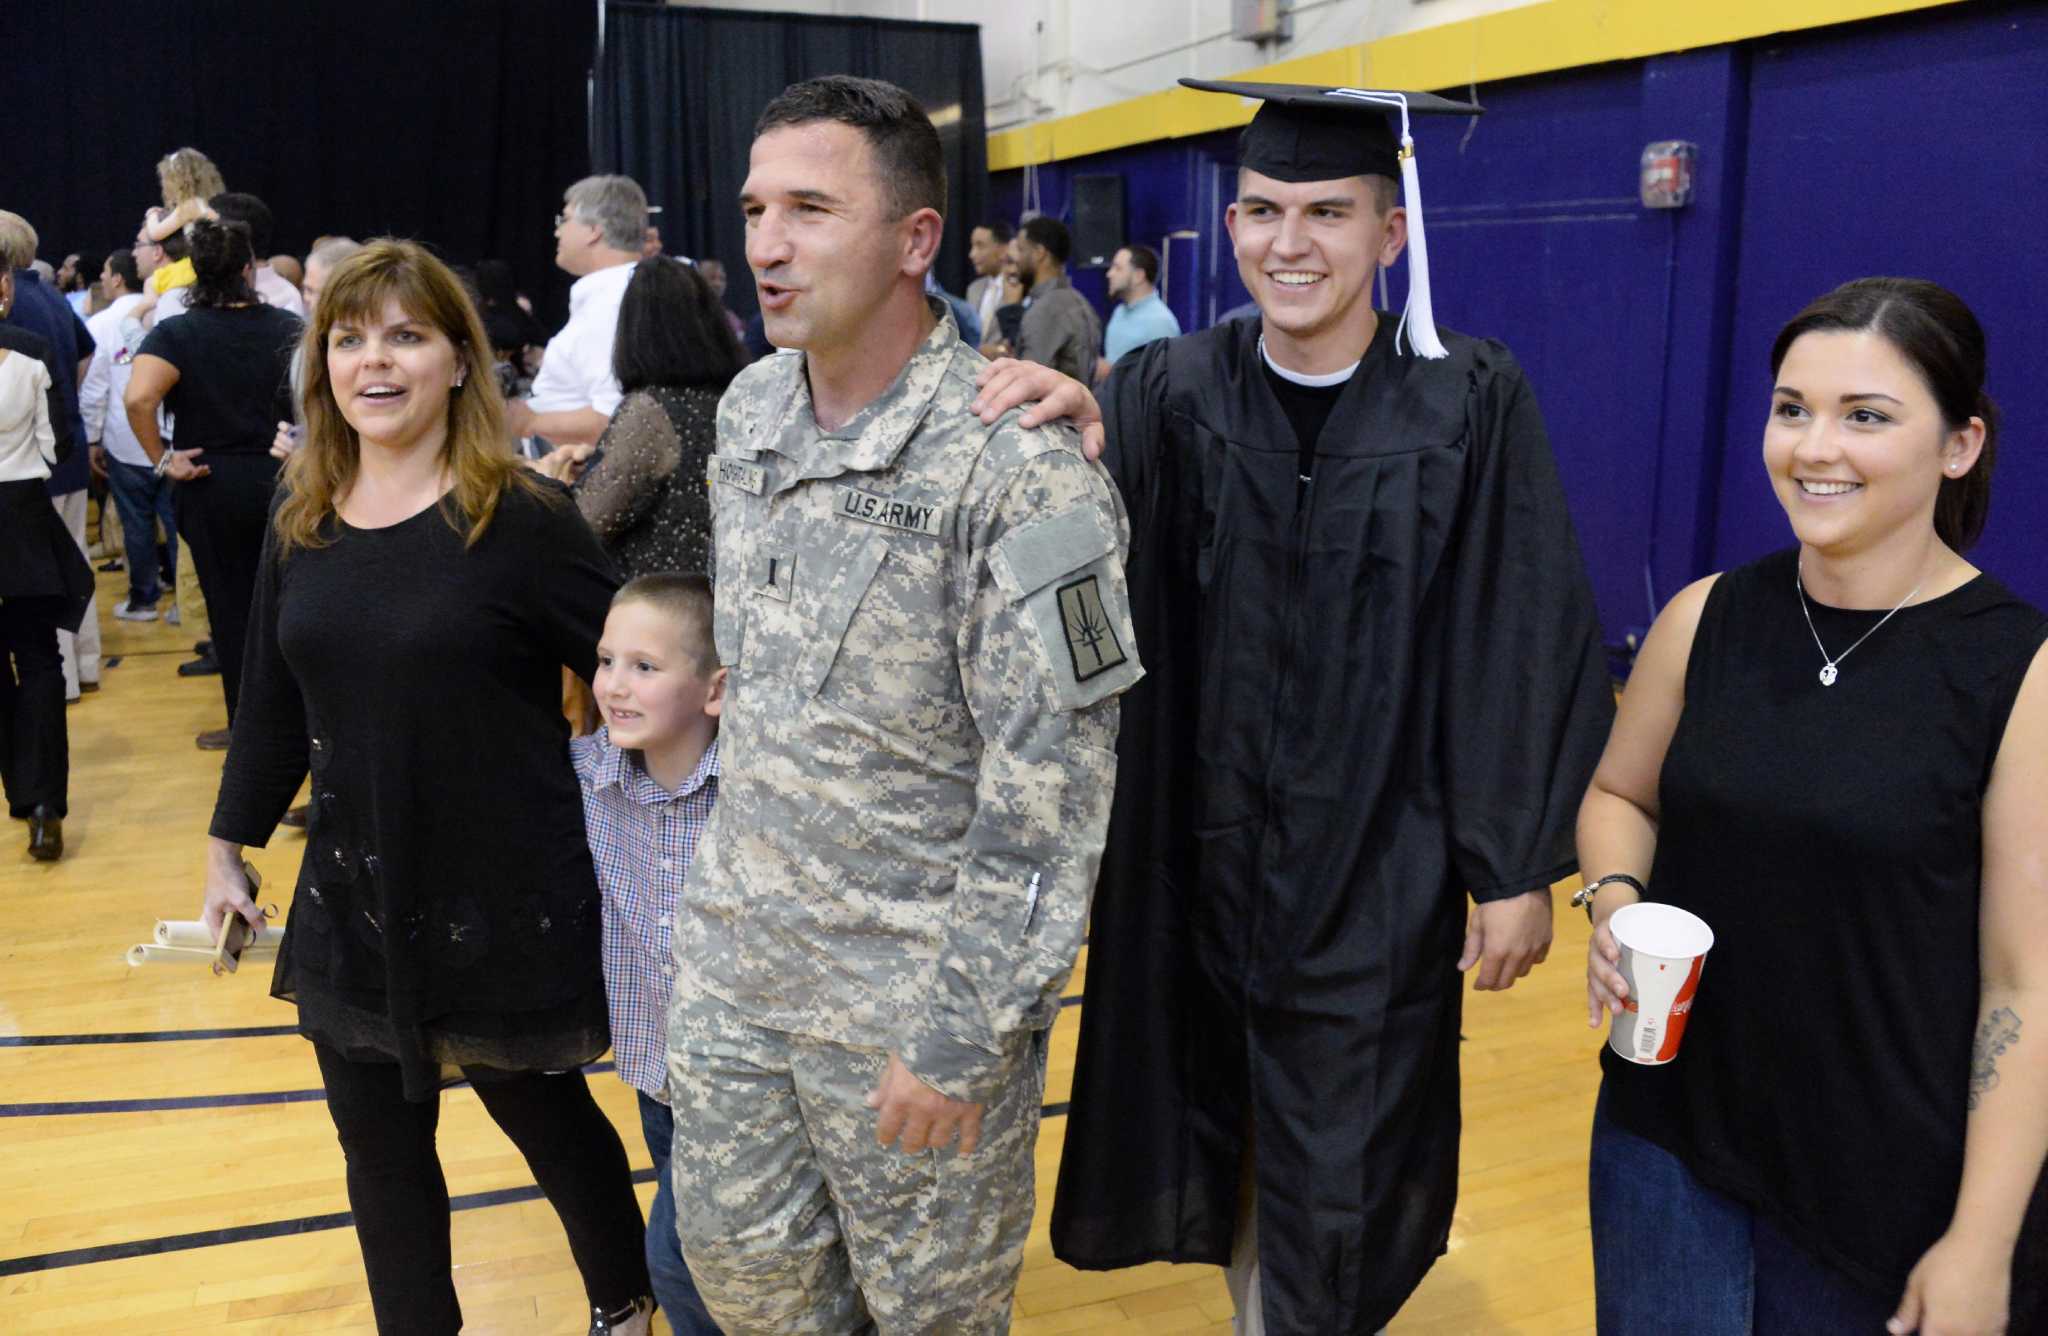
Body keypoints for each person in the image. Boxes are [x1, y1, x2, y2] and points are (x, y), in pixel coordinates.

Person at [972, 81, 1614, 1333]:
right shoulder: (1165, 389)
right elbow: (1098, 595)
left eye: (1326, 211)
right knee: (1227, 1140)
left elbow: (1516, 625)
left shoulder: (1467, 402)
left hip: (1379, 863)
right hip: (1193, 861)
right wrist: (1069, 441)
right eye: (1262, 209)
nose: (1287, 241)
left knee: (1345, 1173)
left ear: (1391, 234)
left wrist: (1509, 863)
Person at [668, 74, 1141, 1332]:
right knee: (751, 1299)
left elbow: (1054, 799)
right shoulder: (750, 409)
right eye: (756, 206)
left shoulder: (1026, 475)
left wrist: (963, 1037)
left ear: (913, 241)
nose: (765, 244)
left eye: (811, 208)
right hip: (735, 986)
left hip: (907, 1014)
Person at [198, 239, 654, 1335]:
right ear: (322, 368)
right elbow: (270, 695)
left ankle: (624, 1301)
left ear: (461, 359)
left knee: (547, 1120)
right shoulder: (299, 514)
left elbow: (638, 663)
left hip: (502, 890)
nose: (375, 361)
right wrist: (228, 842)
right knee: (382, 1164)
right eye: (349, 339)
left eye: (407, 334)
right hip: (354, 893)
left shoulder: (521, 518)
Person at [1577, 277, 2048, 1335]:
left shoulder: (2016, 672)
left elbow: (2028, 981)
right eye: (1791, 408)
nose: (1812, 446)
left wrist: (1980, 1241)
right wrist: (1611, 899)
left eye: (1864, 416)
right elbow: (1618, 792)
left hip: (1880, 1178)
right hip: (1668, 1142)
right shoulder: (1704, 619)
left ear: (1959, 445)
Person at [572, 574, 726, 1335]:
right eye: (606, 661)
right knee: (698, 1253)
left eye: (644, 666)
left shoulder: (752, 797)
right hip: (655, 1074)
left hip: (738, 1088)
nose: (614, 686)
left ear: (714, 689)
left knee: (674, 1262)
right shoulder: (589, 779)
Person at [124, 218, 300, 748]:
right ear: (249, 268)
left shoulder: (176, 332)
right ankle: (301, 734)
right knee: (290, 608)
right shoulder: (290, 328)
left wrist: (162, 460)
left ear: (193, 270)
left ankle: (247, 731)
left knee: (229, 610)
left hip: (210, 481)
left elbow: (138, 399)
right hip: (284, 475)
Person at [540, 257, 742, 579]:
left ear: (633, 328)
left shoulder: (649, 411)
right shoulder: (739, 399)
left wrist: (552, 483)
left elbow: (581, 529)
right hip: (718, 603)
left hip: (657, 612)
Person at [0, 270, 91, 860]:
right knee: (39, 660)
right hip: (24, 516)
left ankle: (23, 791)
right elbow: (57, 440)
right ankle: (43, 804)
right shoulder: (32, 351)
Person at [0, 210, 101, 703]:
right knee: (72, 556)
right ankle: (85, 666)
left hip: (30, 460)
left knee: (43, 570)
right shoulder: (53, 294)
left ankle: (61, 683)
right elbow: (86, 351)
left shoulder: (13, 305)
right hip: (69, 447)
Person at [507, 175, 649, 450]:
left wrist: (526, 420)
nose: (557, 232)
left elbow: (617, 418)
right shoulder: (625, 291)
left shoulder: (612, 301)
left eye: (565, 220)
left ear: (593, 230)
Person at [81, 248, 176, 621]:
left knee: (136, 521)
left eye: (105, 271)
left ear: (118, 278)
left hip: (127, 436)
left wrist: (91, 438)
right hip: (171, 435)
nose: (102, 278)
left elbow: (94, 387)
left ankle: (144, 599)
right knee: (175, 521)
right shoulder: (170, 307)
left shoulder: (103, 323)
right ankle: (185, 602)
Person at [1010, 216, 1101, 384]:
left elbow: (1028, 383)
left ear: (1039, 253)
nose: (1016, 259)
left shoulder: (1047, 309)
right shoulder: (1080, 301)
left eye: (1021, 250)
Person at [1094, 243, 1179, 382]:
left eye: (1118, 268)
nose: (1109, 274)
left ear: (1138, 276)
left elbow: (1161, 382)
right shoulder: (1119, 312)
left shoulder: (1160, 322)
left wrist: (1110, 372)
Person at [966, 220, 1012, 345]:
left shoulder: (1019, 288)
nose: (972, 254)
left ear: (1003, 250)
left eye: (980, 246)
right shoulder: (973, 289)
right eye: (972, 246)